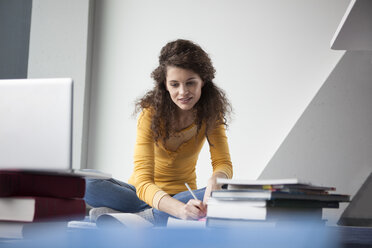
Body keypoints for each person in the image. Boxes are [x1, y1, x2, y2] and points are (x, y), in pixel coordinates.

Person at [84, 39, 233, 226]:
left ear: (203, 81)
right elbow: (144, 182)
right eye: (175, 84)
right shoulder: (150, 114)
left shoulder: (211, 114)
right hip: (141, 195)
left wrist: (216, 179)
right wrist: (178, 209)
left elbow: (223, 163)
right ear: (165, 84)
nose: (183, 92)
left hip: (183, 196)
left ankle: (129, 217)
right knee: (86, 183)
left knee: (225, 191)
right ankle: (152, 216)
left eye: (190, 83)